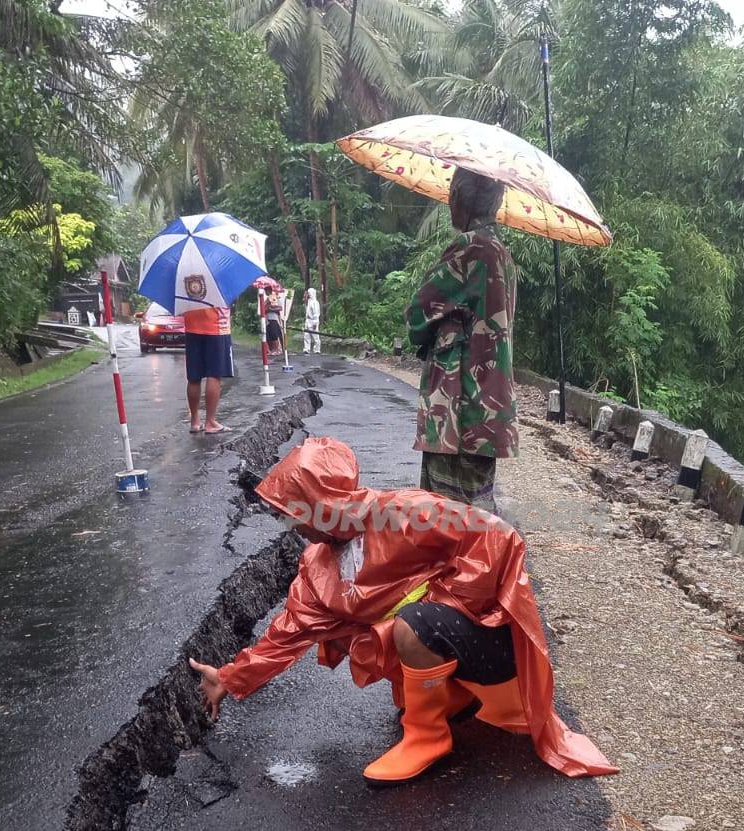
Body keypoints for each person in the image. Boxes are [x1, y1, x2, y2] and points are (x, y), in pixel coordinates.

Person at [187, 437, 617, 785]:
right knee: (364, 632)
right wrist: (228, 677)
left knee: (409, 626)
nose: (293, 524)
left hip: (492, 640)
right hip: (451, 637)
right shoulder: (318, 564)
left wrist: (442, 603)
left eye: (295, 509)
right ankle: (447, 698)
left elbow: (500, 539)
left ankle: (427, 738)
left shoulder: (403, 514)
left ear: (324, 500)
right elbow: (289, 630)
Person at [406, 168, 517, 514]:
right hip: (489, 404)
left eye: (452, 194)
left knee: (444, 515)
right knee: (477, 512)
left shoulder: (469, 248)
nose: (449, 201)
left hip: (458, 406)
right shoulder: (503, 254)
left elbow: (417, 313)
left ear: (462, 200)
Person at [182, 297, 234, 434]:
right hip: (216, 326)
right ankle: (210, 422)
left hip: (192, 325)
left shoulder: (183, 276)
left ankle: (194, 421)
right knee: (214, 374)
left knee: (194, 376)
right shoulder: (218, 275)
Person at [264, 289, 284, 356]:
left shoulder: (276, 298)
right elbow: (264, 308)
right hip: (267, 318)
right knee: (269, 335)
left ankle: (277, 349)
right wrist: (267, 304)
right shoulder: (267, 299)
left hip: (274, 318)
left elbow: (280, 308)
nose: (266, 292)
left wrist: (272, 308)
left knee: (274, 334)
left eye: (267, 290)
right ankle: (271, 349)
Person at [302, 287, 321, 354]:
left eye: (310, 293)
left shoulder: (315, 303)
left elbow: (316, 314)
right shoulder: (309, 301)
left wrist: (315, 323)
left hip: (313, 320)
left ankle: (317, 349)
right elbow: (304, 301)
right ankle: (307, 348)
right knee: (306, 335)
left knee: (315, 335)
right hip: (308, 320)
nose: (309, 294)